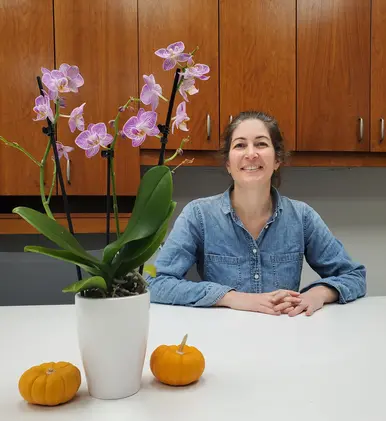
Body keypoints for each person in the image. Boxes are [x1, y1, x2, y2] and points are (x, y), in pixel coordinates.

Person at [146, 111, 366, 316]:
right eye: (240, 145)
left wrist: (318, 294)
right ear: (228, 164)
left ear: (277, 160)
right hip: (222, 338)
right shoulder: (198, 215)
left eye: (261, 144)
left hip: (285, 339)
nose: (251, 154)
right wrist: (232, 298)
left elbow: (354, 276)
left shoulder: (302, 217)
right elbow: (154, 282)